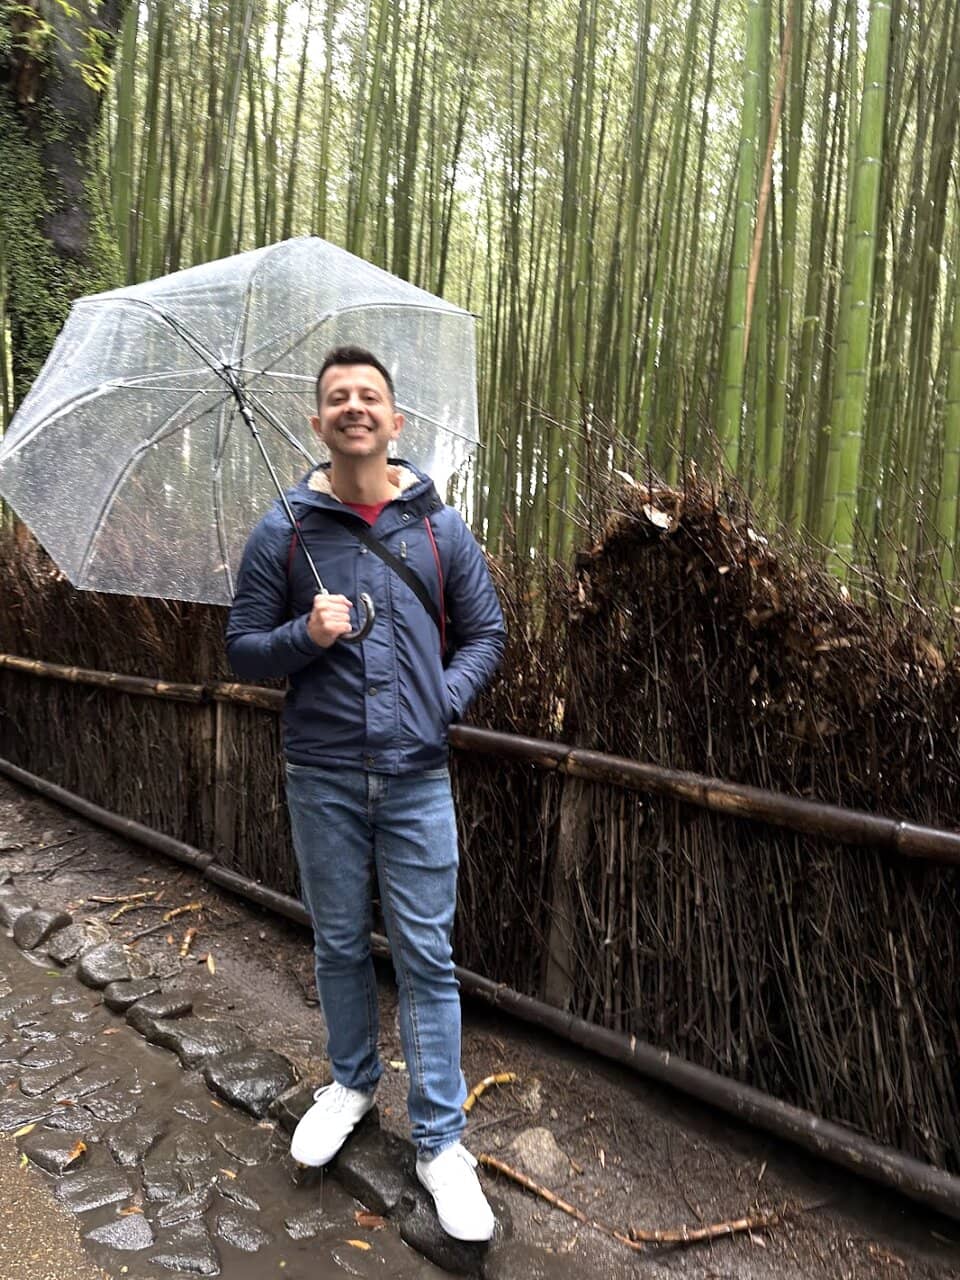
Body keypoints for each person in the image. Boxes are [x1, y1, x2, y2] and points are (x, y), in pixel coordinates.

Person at [225, 345, 506, 1242]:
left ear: (395, 420)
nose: (354, 406)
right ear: (317, 423)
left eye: (369, 395)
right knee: (340, 940)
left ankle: (440, 1142)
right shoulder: (283, 533)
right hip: (323, 772)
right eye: (337, 397)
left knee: (426, 956)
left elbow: (487, 634)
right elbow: (241, 649)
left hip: (418, 776)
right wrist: (303, 637)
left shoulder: (439, 530)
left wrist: (440, 700)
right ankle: (351, 1084)